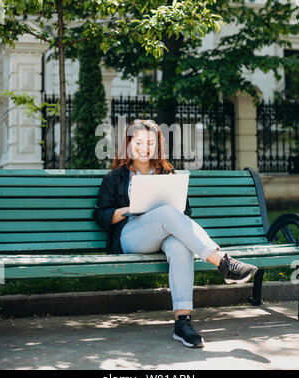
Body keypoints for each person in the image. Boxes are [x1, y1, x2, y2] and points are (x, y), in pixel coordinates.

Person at [93, 119, 258, 349]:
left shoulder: (169, 174)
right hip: (131, 236)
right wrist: (131, 209)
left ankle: (183, 322)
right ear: (129, 144)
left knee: (180, 245)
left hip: (164, 233)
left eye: (150, 142)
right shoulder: (116, 177)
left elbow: (185, 213)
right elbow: (101, 216)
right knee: (167, 214)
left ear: (157, 146)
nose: (144, 147)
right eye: (138, 142)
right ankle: (223, 263)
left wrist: (166, 211)